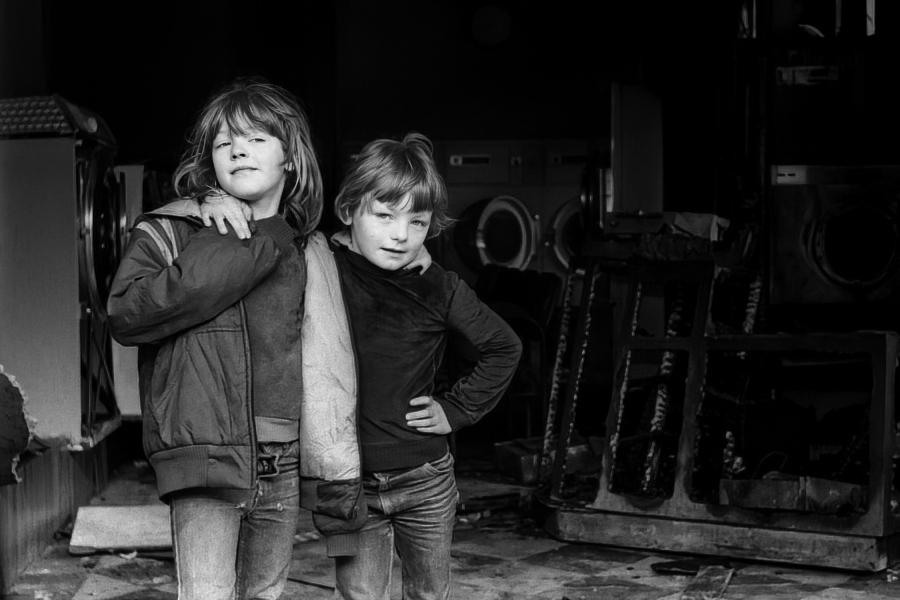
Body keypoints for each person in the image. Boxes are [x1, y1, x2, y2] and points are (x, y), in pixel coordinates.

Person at [203, 132, 523, 600]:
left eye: (417, 221)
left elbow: (504, 346)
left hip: (426, 477)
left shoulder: (438, 286)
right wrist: (211, 199)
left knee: (429, 595)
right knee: (359, 596)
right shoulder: (320, 264)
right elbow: (267, 215)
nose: (400, 235)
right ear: (350, 211)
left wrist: (455, 410)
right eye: (384, 216)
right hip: (352, 483)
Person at [106, 77, 366, 600]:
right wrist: (222, 230)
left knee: (263, 595)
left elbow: (332, 356)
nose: (238, 149)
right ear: (210, 162)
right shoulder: (174, 230)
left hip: (283, 461)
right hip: (206, 459)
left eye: (256, 138)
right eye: (224, 143)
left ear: (290, 157)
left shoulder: (307, 247)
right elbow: (126, 315)